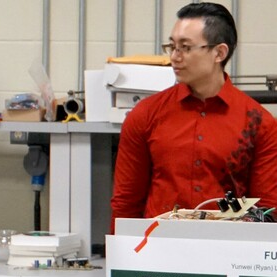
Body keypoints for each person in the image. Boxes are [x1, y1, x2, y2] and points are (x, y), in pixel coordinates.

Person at [110, 2, 277, 231]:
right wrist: (121, 258)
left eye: (186, 48)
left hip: (229, 252)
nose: (175, 58)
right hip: (158, 250)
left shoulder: (259, 123)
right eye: (172, 46)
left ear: (219, 52)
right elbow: (126, 201)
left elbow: (267, 209)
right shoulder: (145, 115)